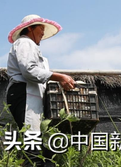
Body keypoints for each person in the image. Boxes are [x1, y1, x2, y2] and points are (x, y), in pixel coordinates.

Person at [6, 14, 75, 166]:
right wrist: (59, 77)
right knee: (32, 142)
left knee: (38, 144)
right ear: (29, 28)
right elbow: (29, 70)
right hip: (23, 92)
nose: (43, 32)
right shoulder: (24, 42)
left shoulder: (31, 46)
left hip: (29, 94)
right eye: (40, 28)